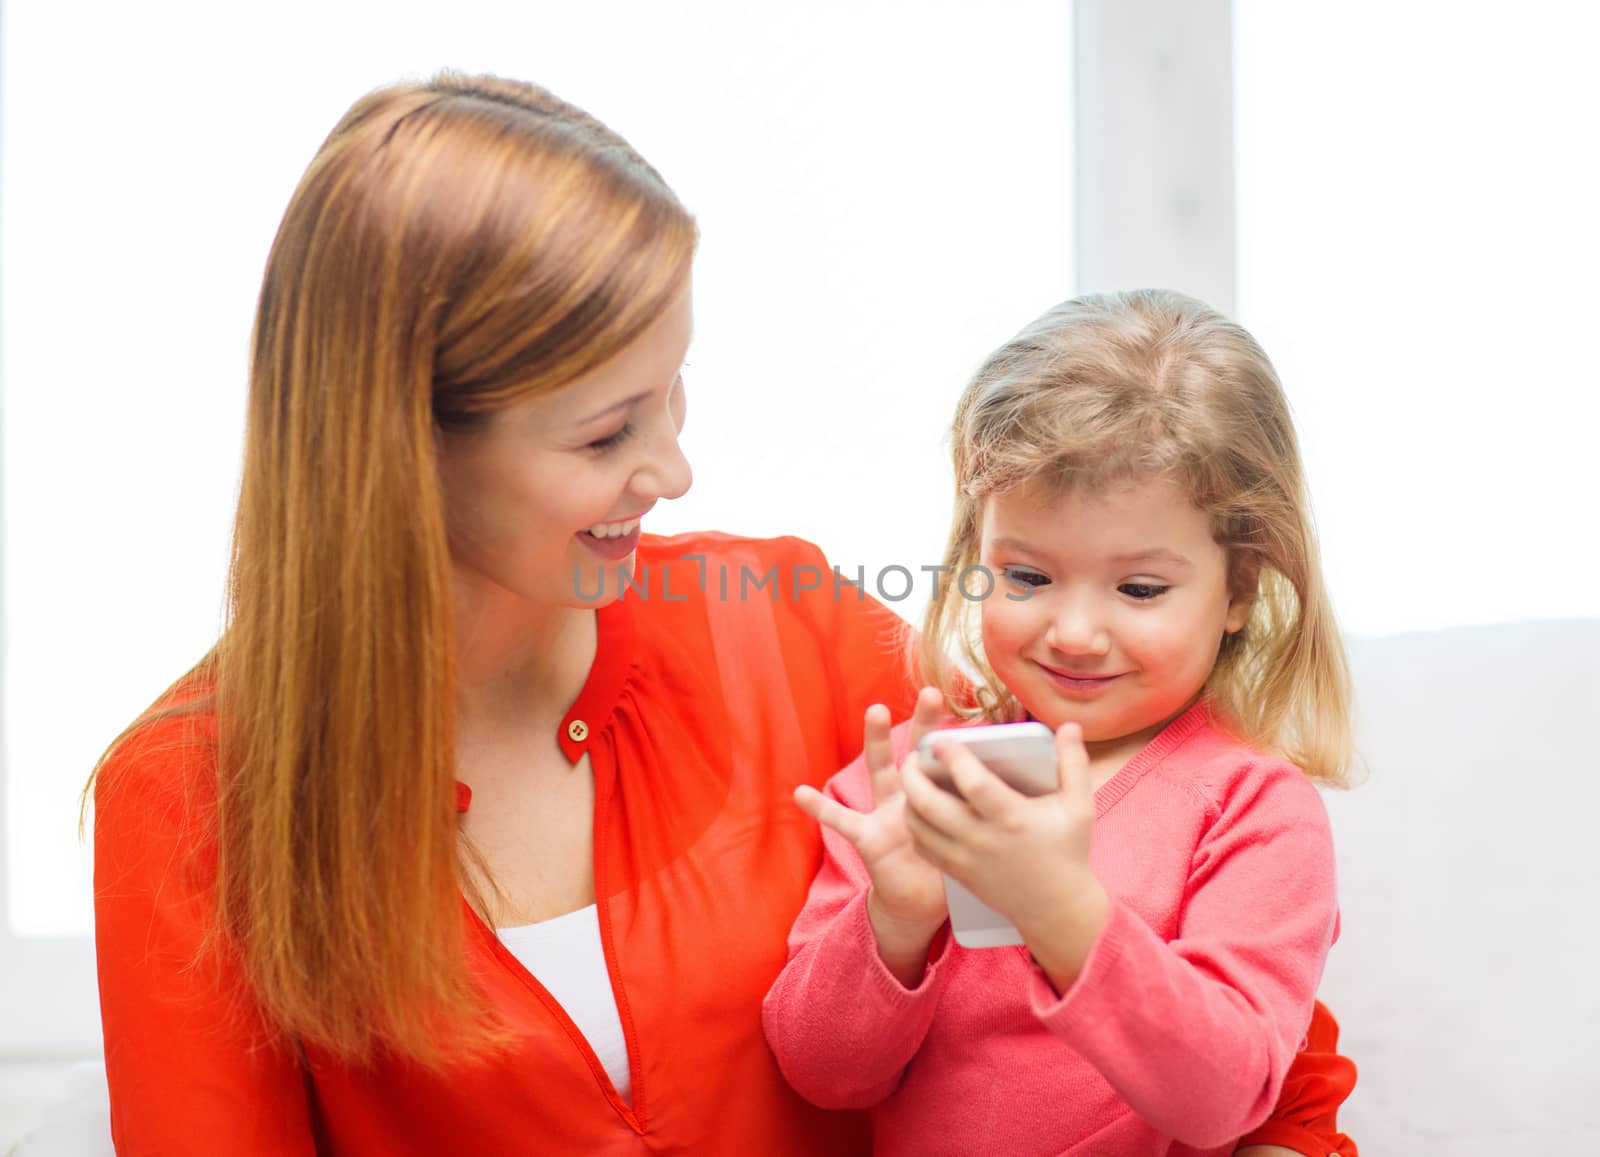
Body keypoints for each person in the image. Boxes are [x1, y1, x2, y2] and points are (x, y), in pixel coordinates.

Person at [87, 75, 1355, 1155]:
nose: (672, 473)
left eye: (673, 394)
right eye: (606, 431)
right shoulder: (188, 796)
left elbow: (1247, 1052)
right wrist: (896, 924)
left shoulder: (790, 620)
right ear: (398, 449)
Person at [763, 289, 1356, 1155]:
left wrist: (1065, 913)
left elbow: (1224, 1097)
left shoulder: (1255, 809)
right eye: (1029, 577)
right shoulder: (912, 786)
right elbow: (823, 1075)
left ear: (1239, 587)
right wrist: (891, 920)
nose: (1074, 633)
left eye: (1140, 588)